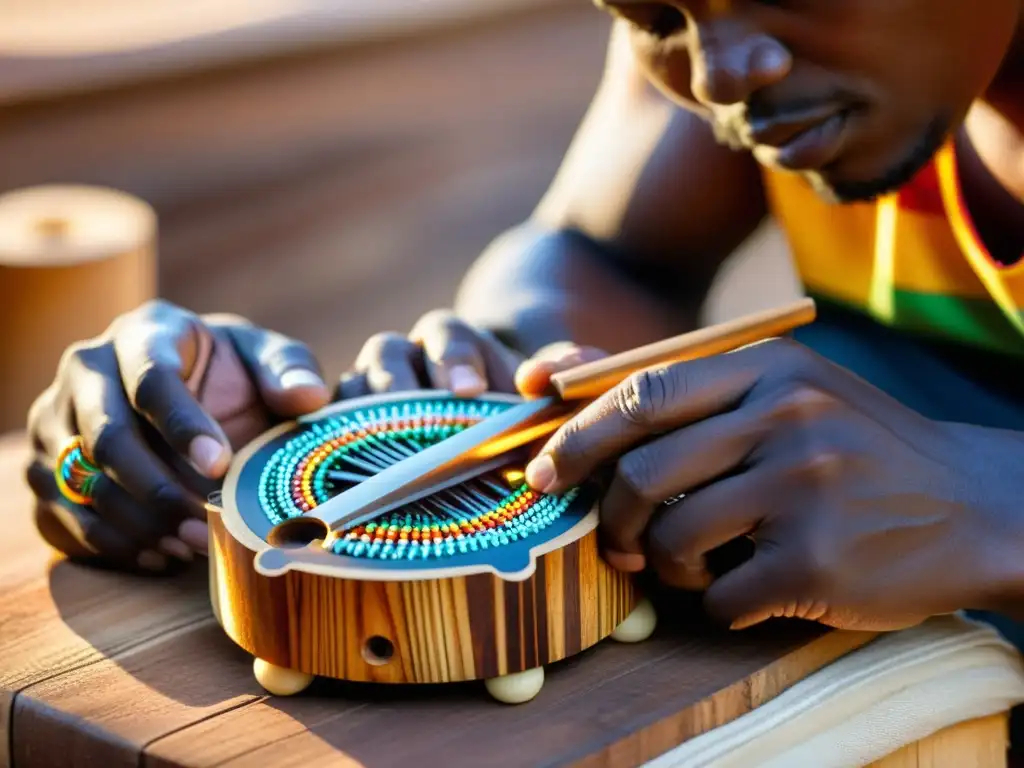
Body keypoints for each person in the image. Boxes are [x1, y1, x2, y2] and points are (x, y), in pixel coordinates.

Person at [26, 0, 1024, 646]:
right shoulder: (757, 50)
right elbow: (600, 253)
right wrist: (495, 369)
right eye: (653, 14)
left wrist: (992, 506)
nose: (718, 75)